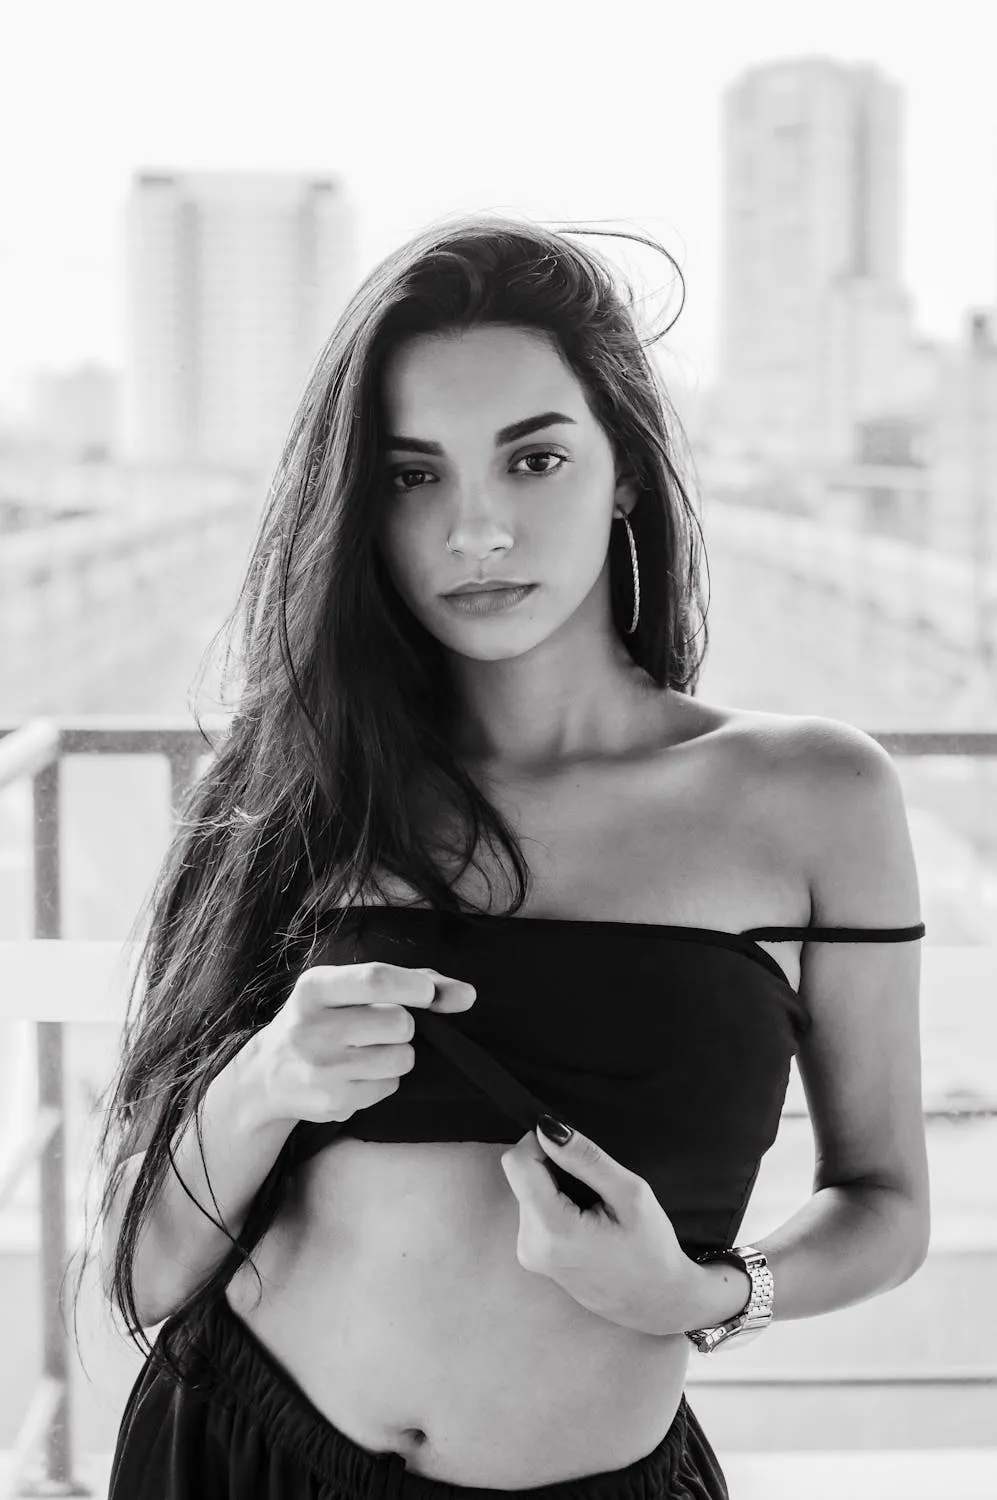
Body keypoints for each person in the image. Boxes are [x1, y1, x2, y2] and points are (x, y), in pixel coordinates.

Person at [80, 213, 930, 1499]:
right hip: (236, 1447)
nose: (475, 529)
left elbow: (884, 1201)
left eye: (532, 460)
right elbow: (145, 1271)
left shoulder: (811, 794)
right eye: (413, 476)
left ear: (627, 470)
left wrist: (703, 1294)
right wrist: (262, 1083)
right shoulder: (295, 779)